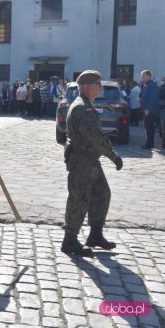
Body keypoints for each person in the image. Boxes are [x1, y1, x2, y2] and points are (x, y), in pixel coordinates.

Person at [61, 70, 123, 256]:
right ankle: (69, 241)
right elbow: (95, 137)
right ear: (87, 86)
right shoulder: (82, 108)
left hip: (90, 161)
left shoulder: (87, 105)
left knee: (102, 194)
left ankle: (95, 235)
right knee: (79, 199)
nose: (101, 88)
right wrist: (113, 155)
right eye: (98, 84)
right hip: (82, 162)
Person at [140, 70, 161, 149]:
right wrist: (141, 98)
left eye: (143, 76)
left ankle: (149, 144)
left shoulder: (152, 84)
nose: (142, 78)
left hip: (151, 110)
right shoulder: (145, 84)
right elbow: (146, 95)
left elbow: (153, 98)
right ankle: (149, 143)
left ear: (148, 76)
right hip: (147, 109)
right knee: (148, 127)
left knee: (149, 127)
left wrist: (148, 108)